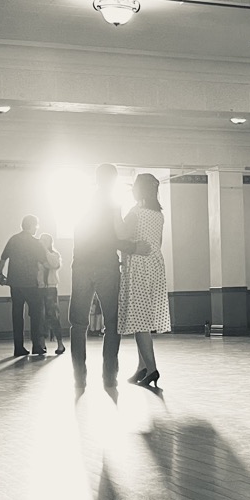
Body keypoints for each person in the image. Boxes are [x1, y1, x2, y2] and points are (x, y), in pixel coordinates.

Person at [69, 163, 150, 390]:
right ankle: (109, 376)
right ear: (113, 180)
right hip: (106, 265)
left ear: (96, 178)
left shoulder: (82, 201)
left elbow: (85, 234)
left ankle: (79, 376)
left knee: (78, 323)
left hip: (82, 265)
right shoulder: (113, 203)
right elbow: (111, 237)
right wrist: (134, 247)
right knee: (112, 323)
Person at [119, 173, 171, 388]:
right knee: (144, 318)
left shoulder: (135, 213)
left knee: (140, 321)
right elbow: (157, 241)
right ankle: (142, 366)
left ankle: (151, 368)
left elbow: (123, 239)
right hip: (155, 264)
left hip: (139, 264)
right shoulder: (158, 215)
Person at [0, 215, 47, 356]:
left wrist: (0, 274)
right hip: (31, 283)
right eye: (36, 225)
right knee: (36, 315)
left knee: (17, 315)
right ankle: (36, 346)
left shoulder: (13, 239)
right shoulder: (35, 242)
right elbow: (44, 261)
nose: (37, 228)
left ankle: (18, 348)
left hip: (15, 283)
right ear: (31, 225)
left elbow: (3, 258)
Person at [39, 232, 66, 355]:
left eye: (45, 240)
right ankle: (41, 344)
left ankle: (60, 344)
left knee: (53, 316)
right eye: (41, 240)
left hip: (50, 287)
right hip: (39, 288)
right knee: (40, 316)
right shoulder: (36, 256)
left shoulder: (54, 254)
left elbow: (54, 264)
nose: (42, 242)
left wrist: (45, 250)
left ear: (50, 242)